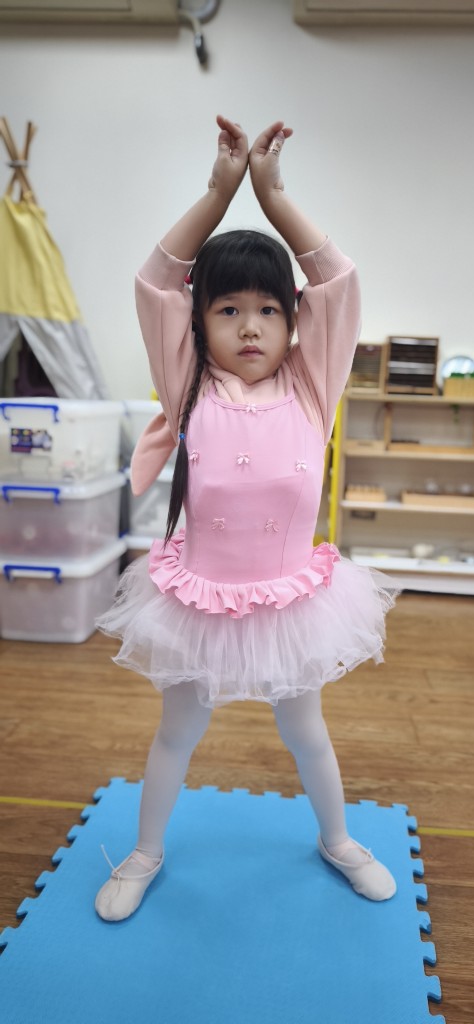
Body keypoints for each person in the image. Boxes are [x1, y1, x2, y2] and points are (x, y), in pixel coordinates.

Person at [95, 115, 399, 922]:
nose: (251, 325)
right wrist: (218, 191)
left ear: (295, 323)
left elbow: (338, 281)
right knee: (177, 734)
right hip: (198, 600)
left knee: (307, 732)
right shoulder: (187, 384)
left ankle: (338, 840)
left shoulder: (312, 386)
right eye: (228, 309)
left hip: (291, 602)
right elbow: (155, 282)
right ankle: (144, 853)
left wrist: (273, 196)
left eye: (269, 309)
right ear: (198, 324)